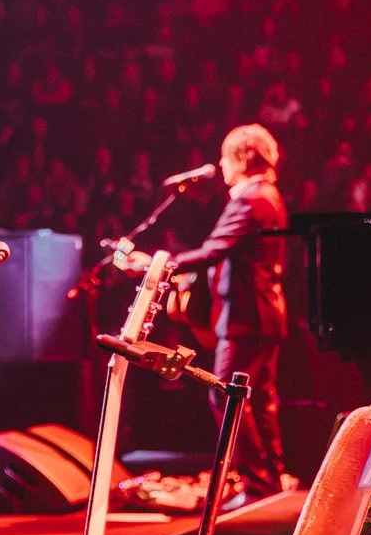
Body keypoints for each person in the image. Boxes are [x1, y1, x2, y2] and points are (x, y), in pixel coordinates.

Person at [123, 123, 289, 495]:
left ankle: (256, 482)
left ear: (243, 158)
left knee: (225, 394)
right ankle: (272, 478)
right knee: (260, 401)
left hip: (247, 317)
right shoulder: (270, 195)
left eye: (225, 157)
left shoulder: (250, 199)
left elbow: (214, 250)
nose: (220, 164)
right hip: (265, 314)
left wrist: (157, 264)